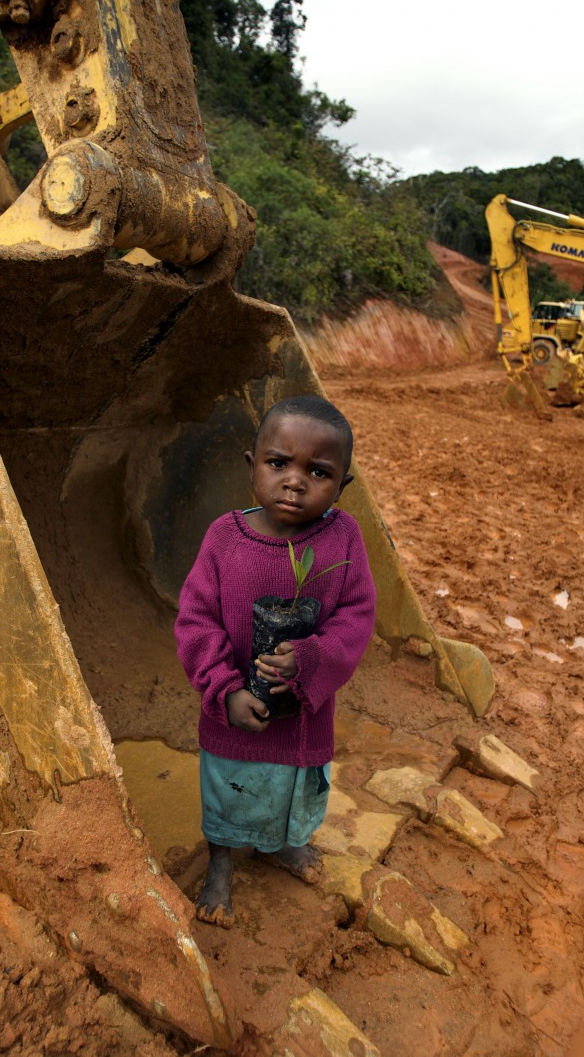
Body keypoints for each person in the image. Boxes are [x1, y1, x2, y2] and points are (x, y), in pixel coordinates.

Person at [174, 395, 377, 927]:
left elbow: (356, 618)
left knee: (294, 788)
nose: (295, 481)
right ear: (251, 465)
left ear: (342, 487)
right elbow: (196, 621)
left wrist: (309, 659)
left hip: (304, 716)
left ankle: (282, 845)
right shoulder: (224, 538)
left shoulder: (343, 538)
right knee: (230, 786)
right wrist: (223, 688)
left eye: (318, 471)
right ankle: (220, 863)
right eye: (278, 463)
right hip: (236, 710)